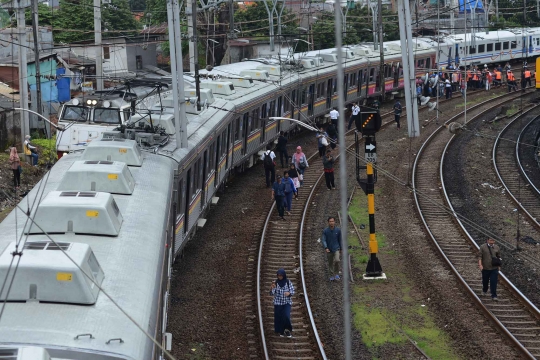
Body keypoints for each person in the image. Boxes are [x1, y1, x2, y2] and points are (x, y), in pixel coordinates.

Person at [270, 268, 295, 338]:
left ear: (284, 275)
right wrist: (271, 288)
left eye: (281, 275)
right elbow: (272, 294)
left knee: (286, 316)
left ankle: (287, 329)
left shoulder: (288, 282)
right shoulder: (275, 283)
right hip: (278, 303)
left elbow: (293, 291)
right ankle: (281, 330)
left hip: (287, 302)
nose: (280, 277)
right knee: (279, 317)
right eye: (278, 275)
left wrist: (289, 293)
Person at [321, 217, 342, 281]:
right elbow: (323, 240)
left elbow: (340, 240)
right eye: (330, 221)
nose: (331, 222)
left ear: (334, 222)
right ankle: (331, 274)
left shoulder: (338, 230)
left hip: (336, 248)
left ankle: (336, 273)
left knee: (337, 260)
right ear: (328, 222)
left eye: (332, 221)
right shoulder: (325, 231)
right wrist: (326, 247)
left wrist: (341, 248)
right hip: (329, 249)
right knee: (330, 262)